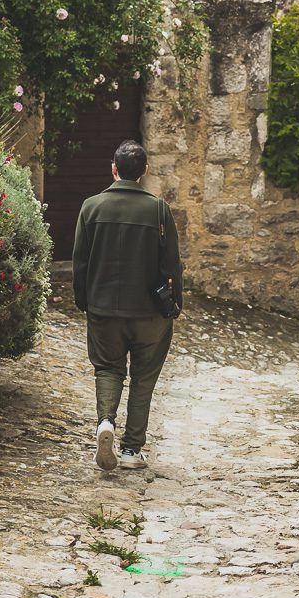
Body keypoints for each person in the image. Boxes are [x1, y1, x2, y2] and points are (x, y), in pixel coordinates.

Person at [72, 139, 183, 471]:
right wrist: (175, 304)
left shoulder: (91, 208)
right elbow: (171, 265)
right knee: (143, 378)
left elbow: (80, 263)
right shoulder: (158, 209)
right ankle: (132, 450)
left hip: (104, 310)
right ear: (145, 171)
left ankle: (105, 422)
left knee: (107, 369)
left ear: (113, 168)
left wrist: (84, 300)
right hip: (150, 313)